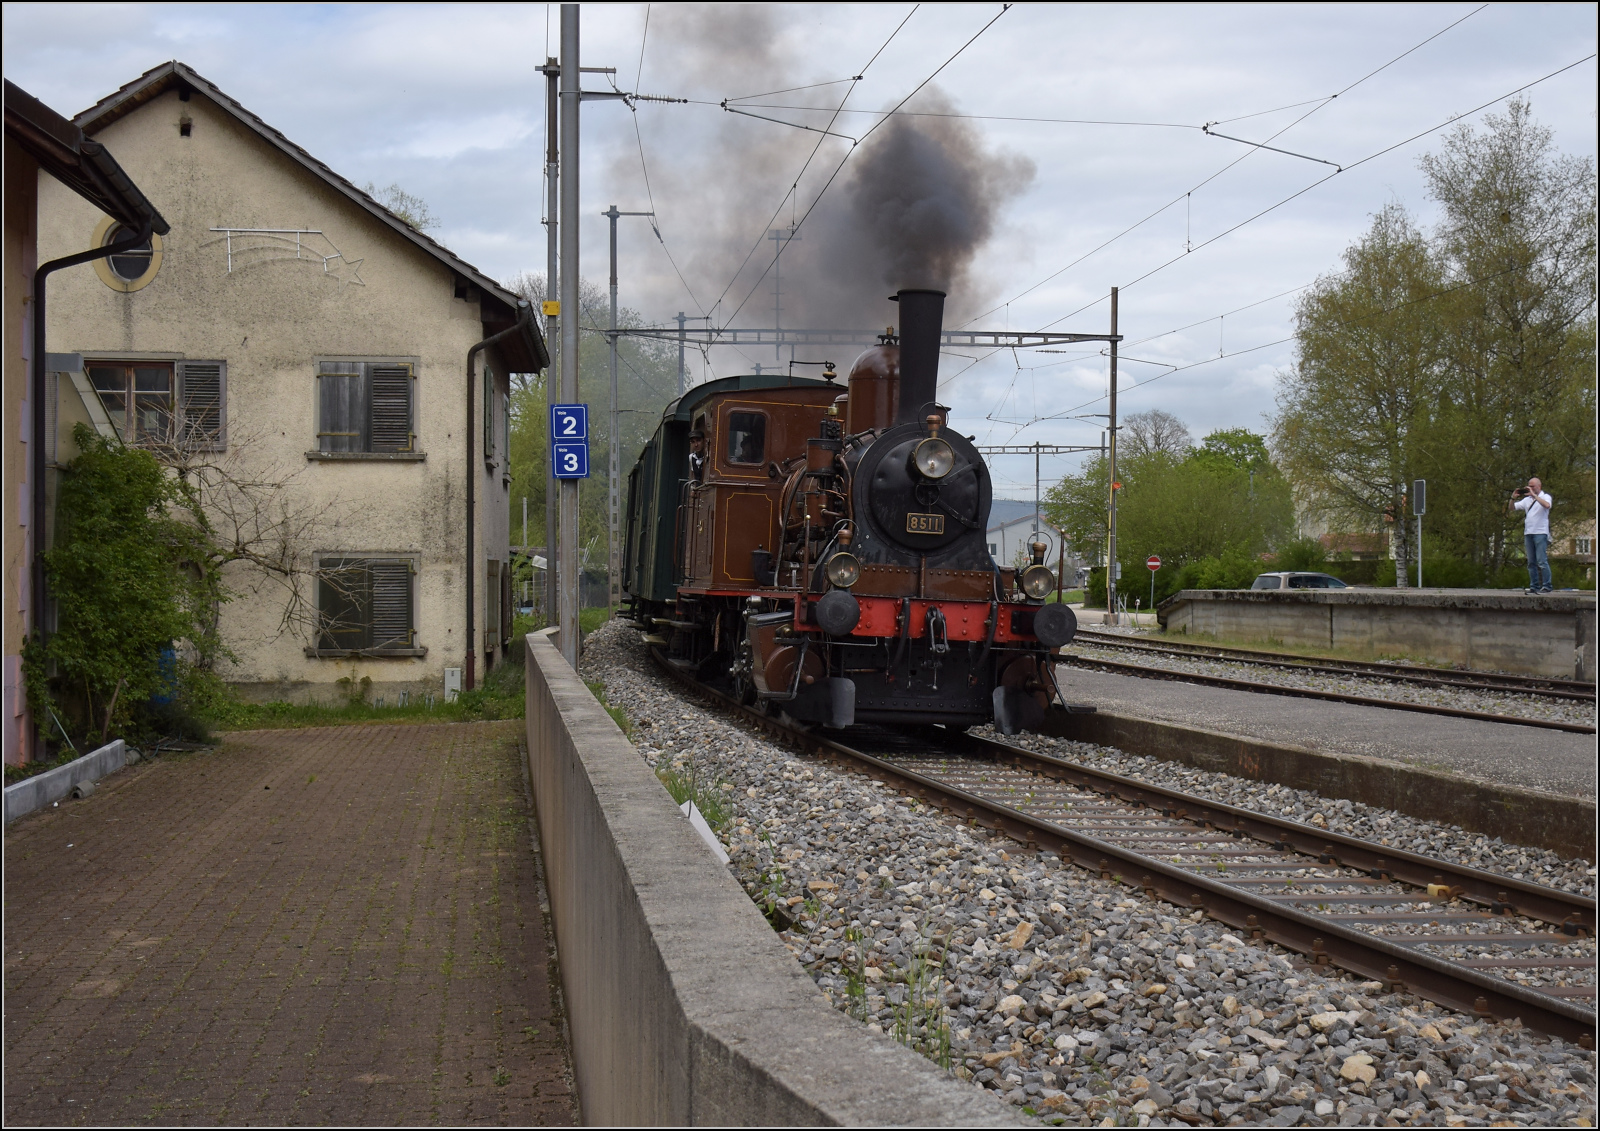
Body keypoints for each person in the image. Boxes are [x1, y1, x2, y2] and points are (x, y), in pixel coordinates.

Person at [1509, 477, 1554, 593]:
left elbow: (1547, 505)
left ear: (1539, 486)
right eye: (1529, 486)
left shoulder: (1545, 497)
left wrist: (1534, 495)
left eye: (1533, 486)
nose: (1530, 488)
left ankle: (1547, 585)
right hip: (1528, 533)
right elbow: (1512, 508)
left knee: (1542, 561)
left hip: (1540, 533)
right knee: (1531, 562)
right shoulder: (1526, 500)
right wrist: (1513, 498)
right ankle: (1534, 586)